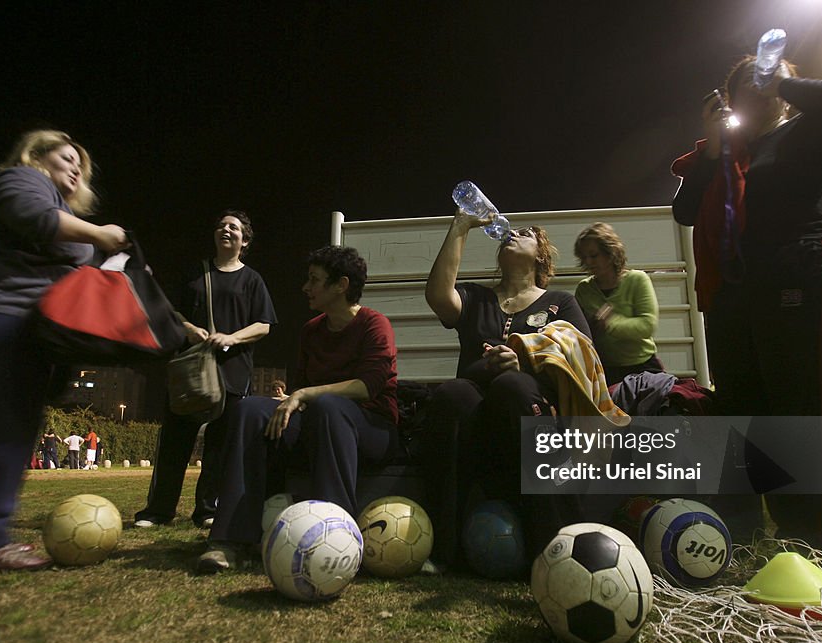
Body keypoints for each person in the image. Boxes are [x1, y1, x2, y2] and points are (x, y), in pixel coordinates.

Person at [671, 57, 822, 554]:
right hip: (746, 286)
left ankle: (814, 544)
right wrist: (713, 148)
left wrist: (784, 83)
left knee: (801, 411)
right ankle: (772, 532)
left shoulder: (805, 129)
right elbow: (686, 211)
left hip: (806, 267)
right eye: (741, 90)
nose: (752, 96)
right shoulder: (729, 155)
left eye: (763, 86)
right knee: (750, 409)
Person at [0, 130, 129, 570]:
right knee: (7, 418)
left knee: (14, 418)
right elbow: (32, 218)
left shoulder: (62, 211)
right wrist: (100, 234)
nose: (77, 167)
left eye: (83, 164)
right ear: (37, 155)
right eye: (67, 157)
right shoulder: (23, 180)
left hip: (15, 320)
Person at [422, 211, 605, 568]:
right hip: (478, 421)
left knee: (512, 385)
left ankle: (552, 549)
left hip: (531, 416)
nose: (513, 234)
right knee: (452, 394)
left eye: (525, 233)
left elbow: (584, 359)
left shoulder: (561, 302)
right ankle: (443, 550)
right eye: (512, 231)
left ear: (540, 256)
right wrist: (460, 226)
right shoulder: (476, 298)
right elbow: (438, 297)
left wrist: (526, 358)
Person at [198, 245, 398, 572]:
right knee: (249, 410)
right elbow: (301, 391)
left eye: (314, 280)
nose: (306, 287)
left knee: (329, 407)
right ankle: (231, 541)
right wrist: (287, 401)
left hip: (372, 431)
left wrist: (306, 394)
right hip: (320, 422)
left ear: (341, 285)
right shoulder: (312, 330)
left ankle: (337, 538)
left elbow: (368, 386)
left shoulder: (375, 324)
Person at [135, 210, 276, 529]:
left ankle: (207, 510)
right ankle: (157, 510)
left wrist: (231, 337)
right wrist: (190, 329)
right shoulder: (194, 274)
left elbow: (264, 325)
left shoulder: (252, 280)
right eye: (221, 225)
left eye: (234, 227)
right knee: (175, 441)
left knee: (220, 448)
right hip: (193, 372)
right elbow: (171, 313)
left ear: (245, 240)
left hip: (232, 374)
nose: (226, 230)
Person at [573, 222, 663, 385]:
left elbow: (647, 325)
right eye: (584, 257)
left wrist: (609, 323)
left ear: (611, 253)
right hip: (604, 369)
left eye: (594, 255)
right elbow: (581, 333)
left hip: (643, 366)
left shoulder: (637, 279)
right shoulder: (584, 289)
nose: (589, 262)